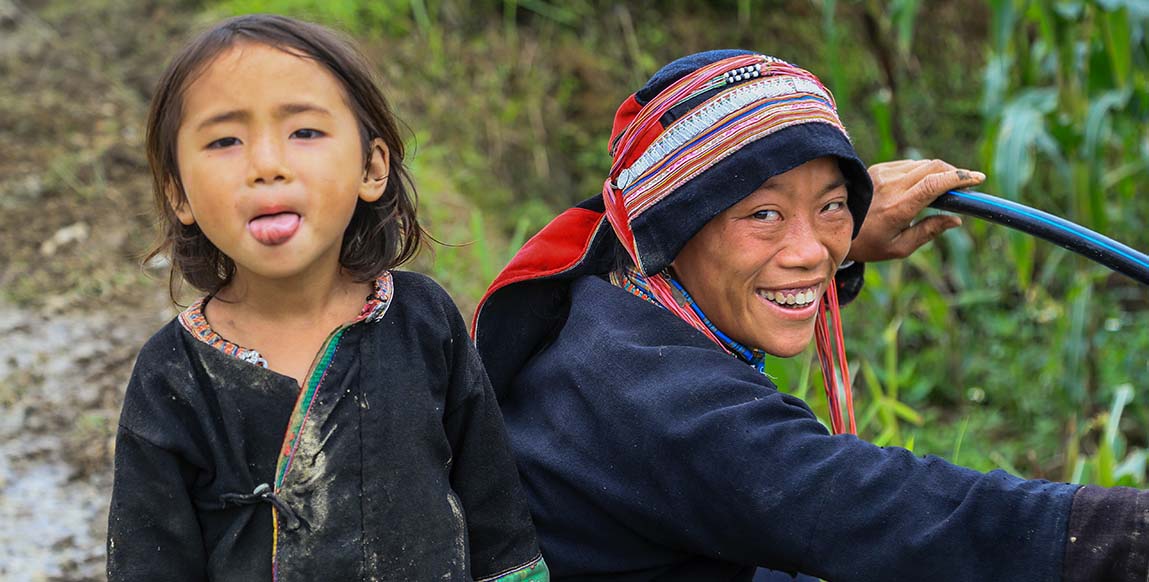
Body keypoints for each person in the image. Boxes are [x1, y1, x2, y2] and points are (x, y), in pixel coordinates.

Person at [473, 50, 1149, 581]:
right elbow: (868, 507)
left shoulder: (610, 297)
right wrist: (1121, 537)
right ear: (674, 228)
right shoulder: (653, 400)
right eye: (762, 213)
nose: (809, 253)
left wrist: (841, 237)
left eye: (830, 204)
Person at [106, 15, 547, 581]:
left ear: (371, 167)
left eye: (305, 132)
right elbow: (148, 561)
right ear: (178, 193)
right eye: (224, 141)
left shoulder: (422, 320)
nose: (267, 166)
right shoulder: (172, 375)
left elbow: (494, 507)